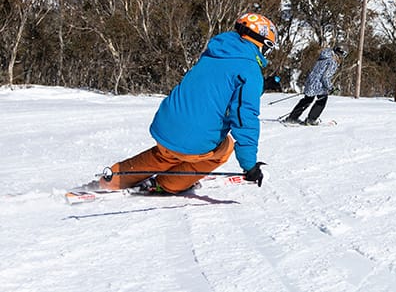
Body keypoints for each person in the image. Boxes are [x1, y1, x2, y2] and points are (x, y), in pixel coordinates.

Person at [94, 12, 275, 193]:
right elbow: (245, 118)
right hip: (195, 140)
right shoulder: (250, 70)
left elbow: (216, 87)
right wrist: (249, 166)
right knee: (224, 148)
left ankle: (112, 179)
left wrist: (258, 86)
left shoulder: (214, 52)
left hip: (166, 124)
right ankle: (168, 183)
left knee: (165, 154)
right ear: (261, 43)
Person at [282, 46, 346, 126]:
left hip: (311, 81)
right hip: (319, 84)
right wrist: (331, 88)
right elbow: (325, 77)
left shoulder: (324, 57)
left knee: (307, 100)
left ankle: (292, 117)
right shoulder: (332, 62)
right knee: (322, 101)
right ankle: (311, 119)